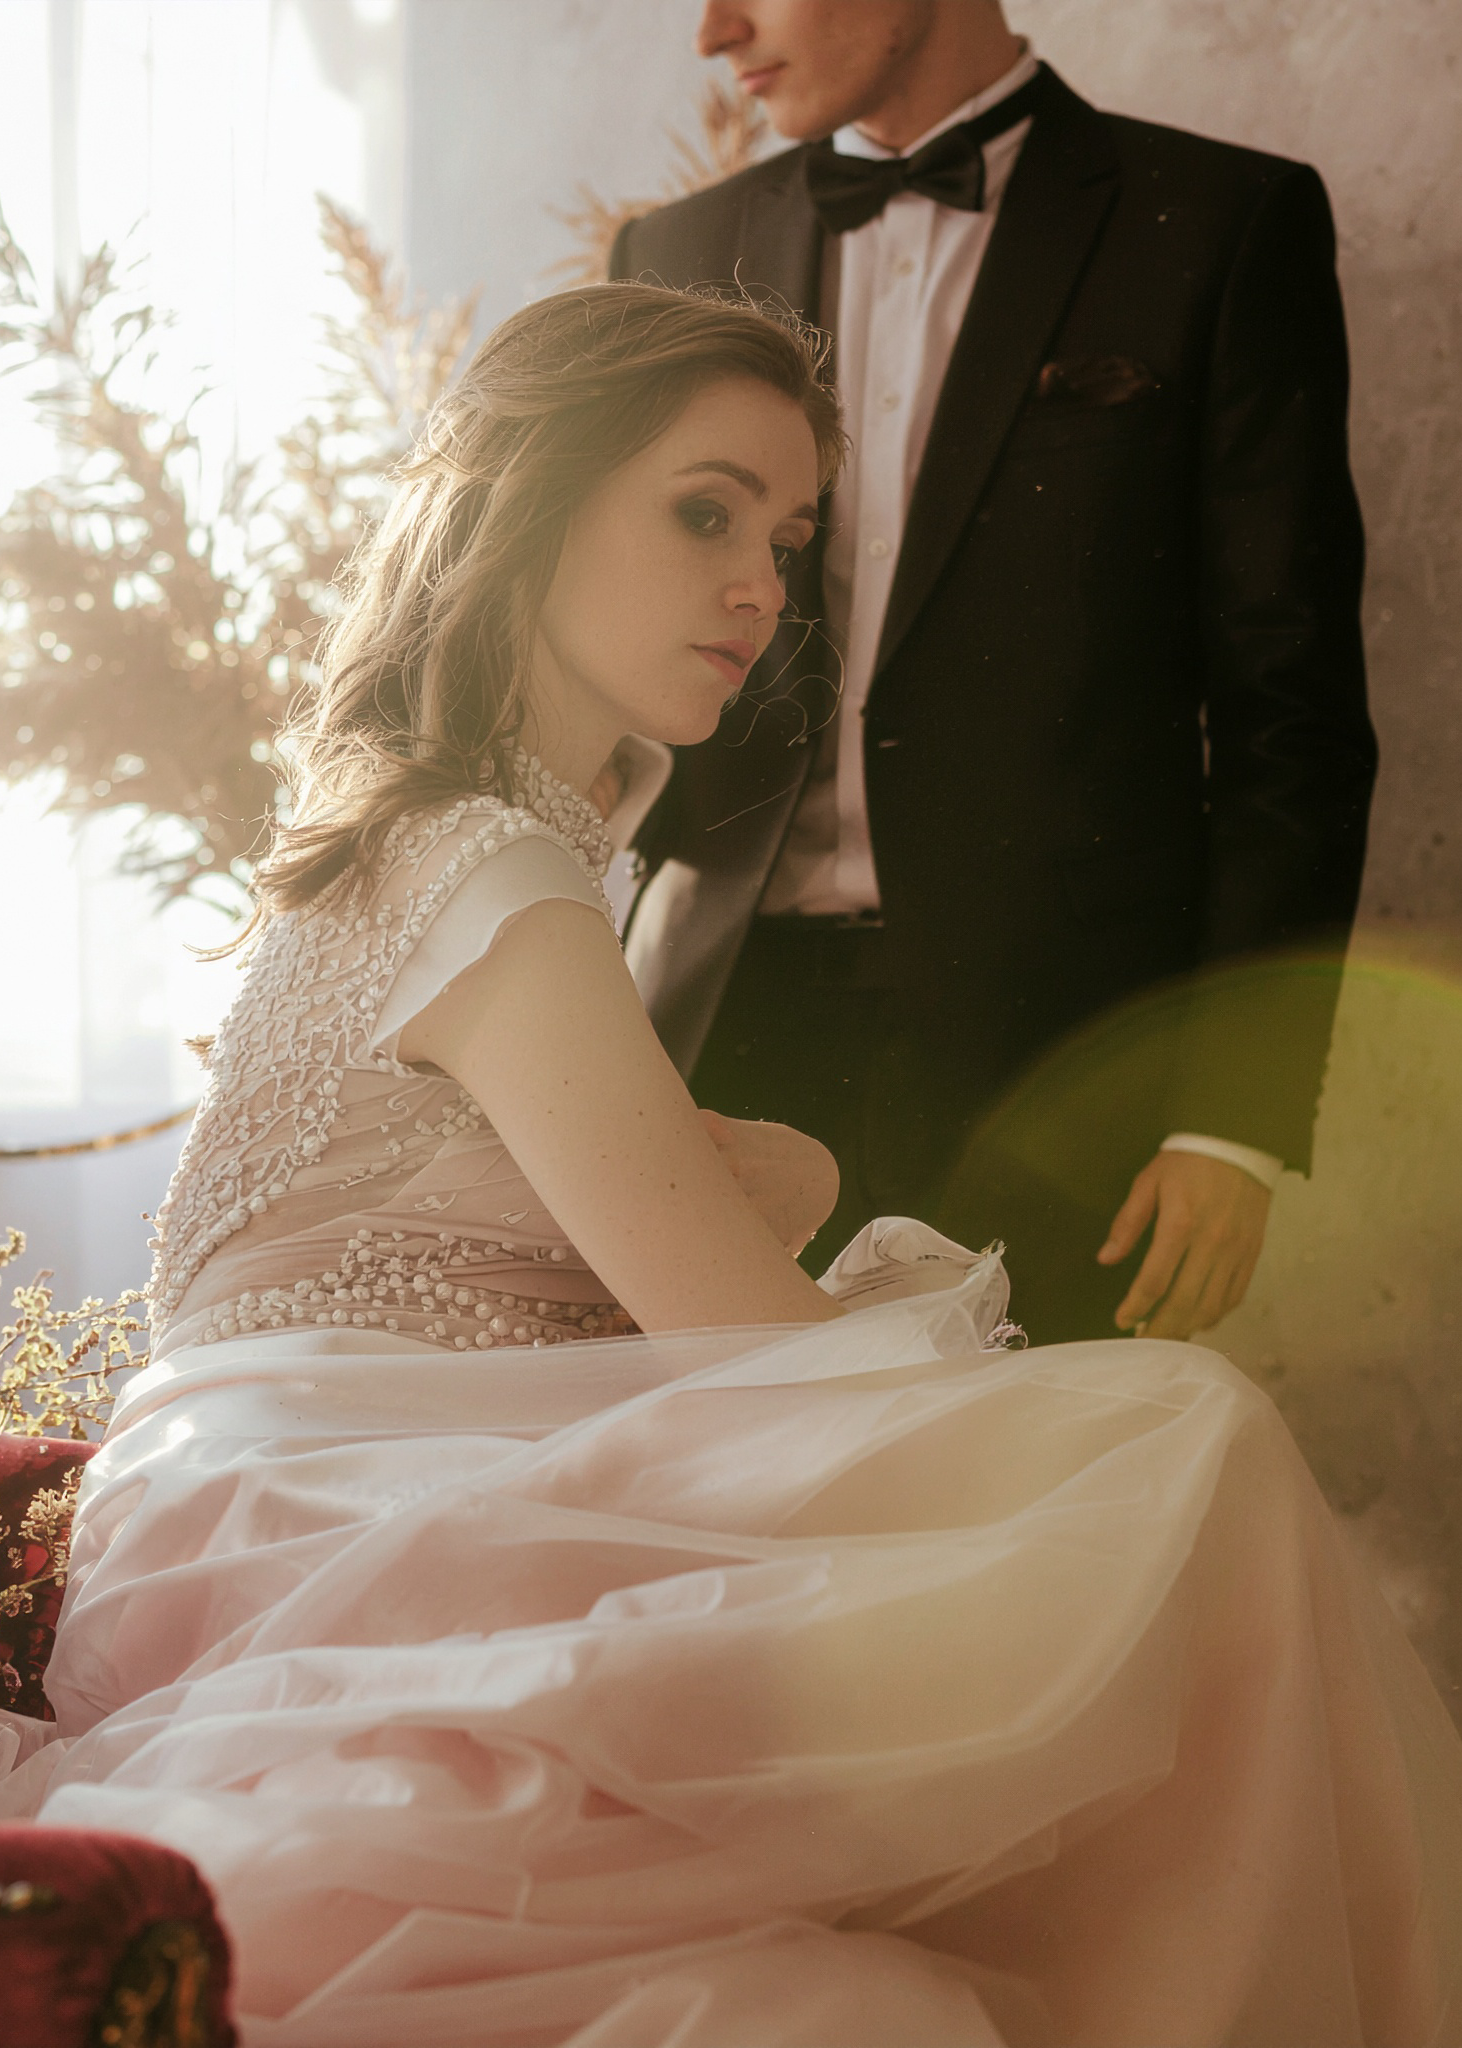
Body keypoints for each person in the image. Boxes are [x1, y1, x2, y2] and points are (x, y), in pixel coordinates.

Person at [3, 285, 1457, 2048]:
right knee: (1181, 1439)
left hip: (257, 1498)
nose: (765, 586)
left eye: (782, 535)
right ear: (527, 500)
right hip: (323, 1510)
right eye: (704, 511)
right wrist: (828, 1220)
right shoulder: (486, 870)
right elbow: (751, 1346)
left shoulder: (451, 836)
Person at [611, 0, 1378, 1344]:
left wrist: (1230, 1121)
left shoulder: (1219, 221)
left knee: (1019, 1520)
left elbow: (1288, 712)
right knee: (725, 1513)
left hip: (1067, 1059)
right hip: (714, 1039)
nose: (711, 32)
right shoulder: (676, 252)